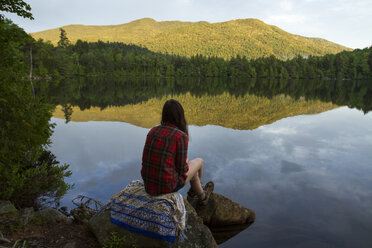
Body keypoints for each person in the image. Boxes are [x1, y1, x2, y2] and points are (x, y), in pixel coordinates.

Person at [141, 99, 214, 205]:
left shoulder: (152, 131)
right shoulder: (180, 136)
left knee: (190, 168)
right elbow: (183, 170)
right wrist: (186, 162)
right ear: (180, 116)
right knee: (199, 161)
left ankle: (197, 191)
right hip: (166, 187)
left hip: (148, 184)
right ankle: (202, 197)